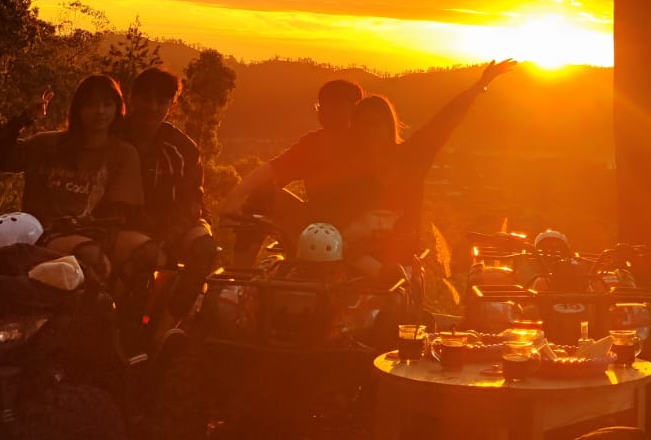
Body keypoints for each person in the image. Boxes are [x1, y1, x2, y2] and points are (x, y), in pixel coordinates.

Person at [0, 74, 162, 344]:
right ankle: (90, 333)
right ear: (78, 109)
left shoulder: (123, 154)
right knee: (93, 256)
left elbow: (123, 210)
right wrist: (25, 118)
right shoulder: (47, 145)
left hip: (98, 230)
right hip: (49, 230)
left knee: (149, 254)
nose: (100, 112)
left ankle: (125, 329)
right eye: (91, 105)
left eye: (107, 104)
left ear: (117, 109)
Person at [342, 60, 517, 281]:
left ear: (389, 125)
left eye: (375, 124)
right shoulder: (350, 168)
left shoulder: (413, 155)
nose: (370, 132)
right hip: (357, 264)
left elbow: (445, 120)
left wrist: (480, 85)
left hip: (401, 264)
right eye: (363, 126)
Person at [124, 67, 215, 322]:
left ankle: (171, 321)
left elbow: (191, 203)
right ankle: (129, 324)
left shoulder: (182, 148)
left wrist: (165, 238)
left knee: (205, 249)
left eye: (161, 101)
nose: (152, 107)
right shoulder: (112, 137)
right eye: (146, 98)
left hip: (178, 222)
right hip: (127, 224)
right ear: (132, 98)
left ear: (171, 107)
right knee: (143, 256)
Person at [224, 77, 366, 240]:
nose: (328, 112)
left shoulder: (369, 142)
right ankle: (243, 266)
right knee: (262, 193)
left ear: (355, 111)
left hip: (359, 225)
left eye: (336, 106)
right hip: (313, 222)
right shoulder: (312, 144)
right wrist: (236, 194)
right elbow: (273, 169)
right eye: (323, 106)